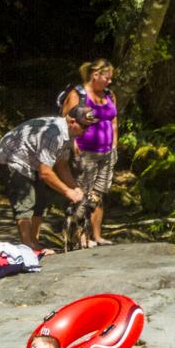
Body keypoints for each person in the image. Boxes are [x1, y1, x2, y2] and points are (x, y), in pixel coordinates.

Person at [0, 107, 93, 255]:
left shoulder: (69, 134)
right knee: (26, 202)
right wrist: (67, 192)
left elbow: (61, 164)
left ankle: (35, 242)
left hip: (33, 160)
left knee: (41, 201)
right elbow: (46, 173)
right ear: (72, 121)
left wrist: (75, 188)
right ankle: (27, 247)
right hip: (14, 157)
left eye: (89, 126)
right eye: (84, 126)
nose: (87, 130)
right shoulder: (54, 134)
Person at [60, 60, 120, 247]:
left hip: (107, 152)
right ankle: (80, 237)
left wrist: (115, 144)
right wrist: (72, 143)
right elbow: (65, 120)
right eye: (107, 78)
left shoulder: (109, 94)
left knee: (98, 194)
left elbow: (114, 121)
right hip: (85, 152)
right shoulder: (79, 94)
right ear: (96, 75)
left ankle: (96, 235)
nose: (109, 82)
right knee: (82, 193)